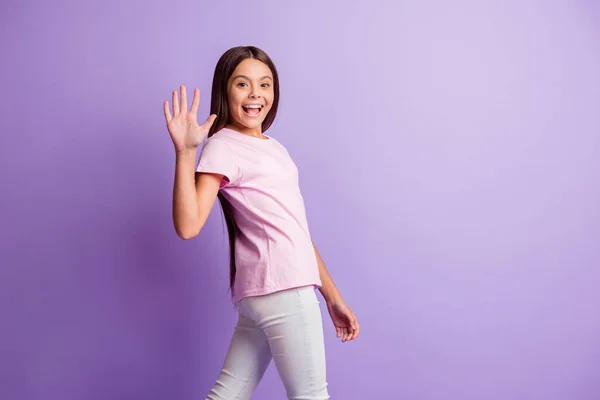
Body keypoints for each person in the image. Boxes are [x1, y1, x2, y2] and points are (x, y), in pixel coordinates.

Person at [163, 45, 360, 400]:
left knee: (227, 395)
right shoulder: (224, 145)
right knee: (312, 395)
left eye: (265, 85)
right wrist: (185, 153)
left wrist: (332, 296)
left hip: (265, 294)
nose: (256, 94)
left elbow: (295, 231)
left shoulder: (274, 147)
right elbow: (189, 225)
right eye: (243, 84)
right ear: (224, 90)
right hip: (283, 290)